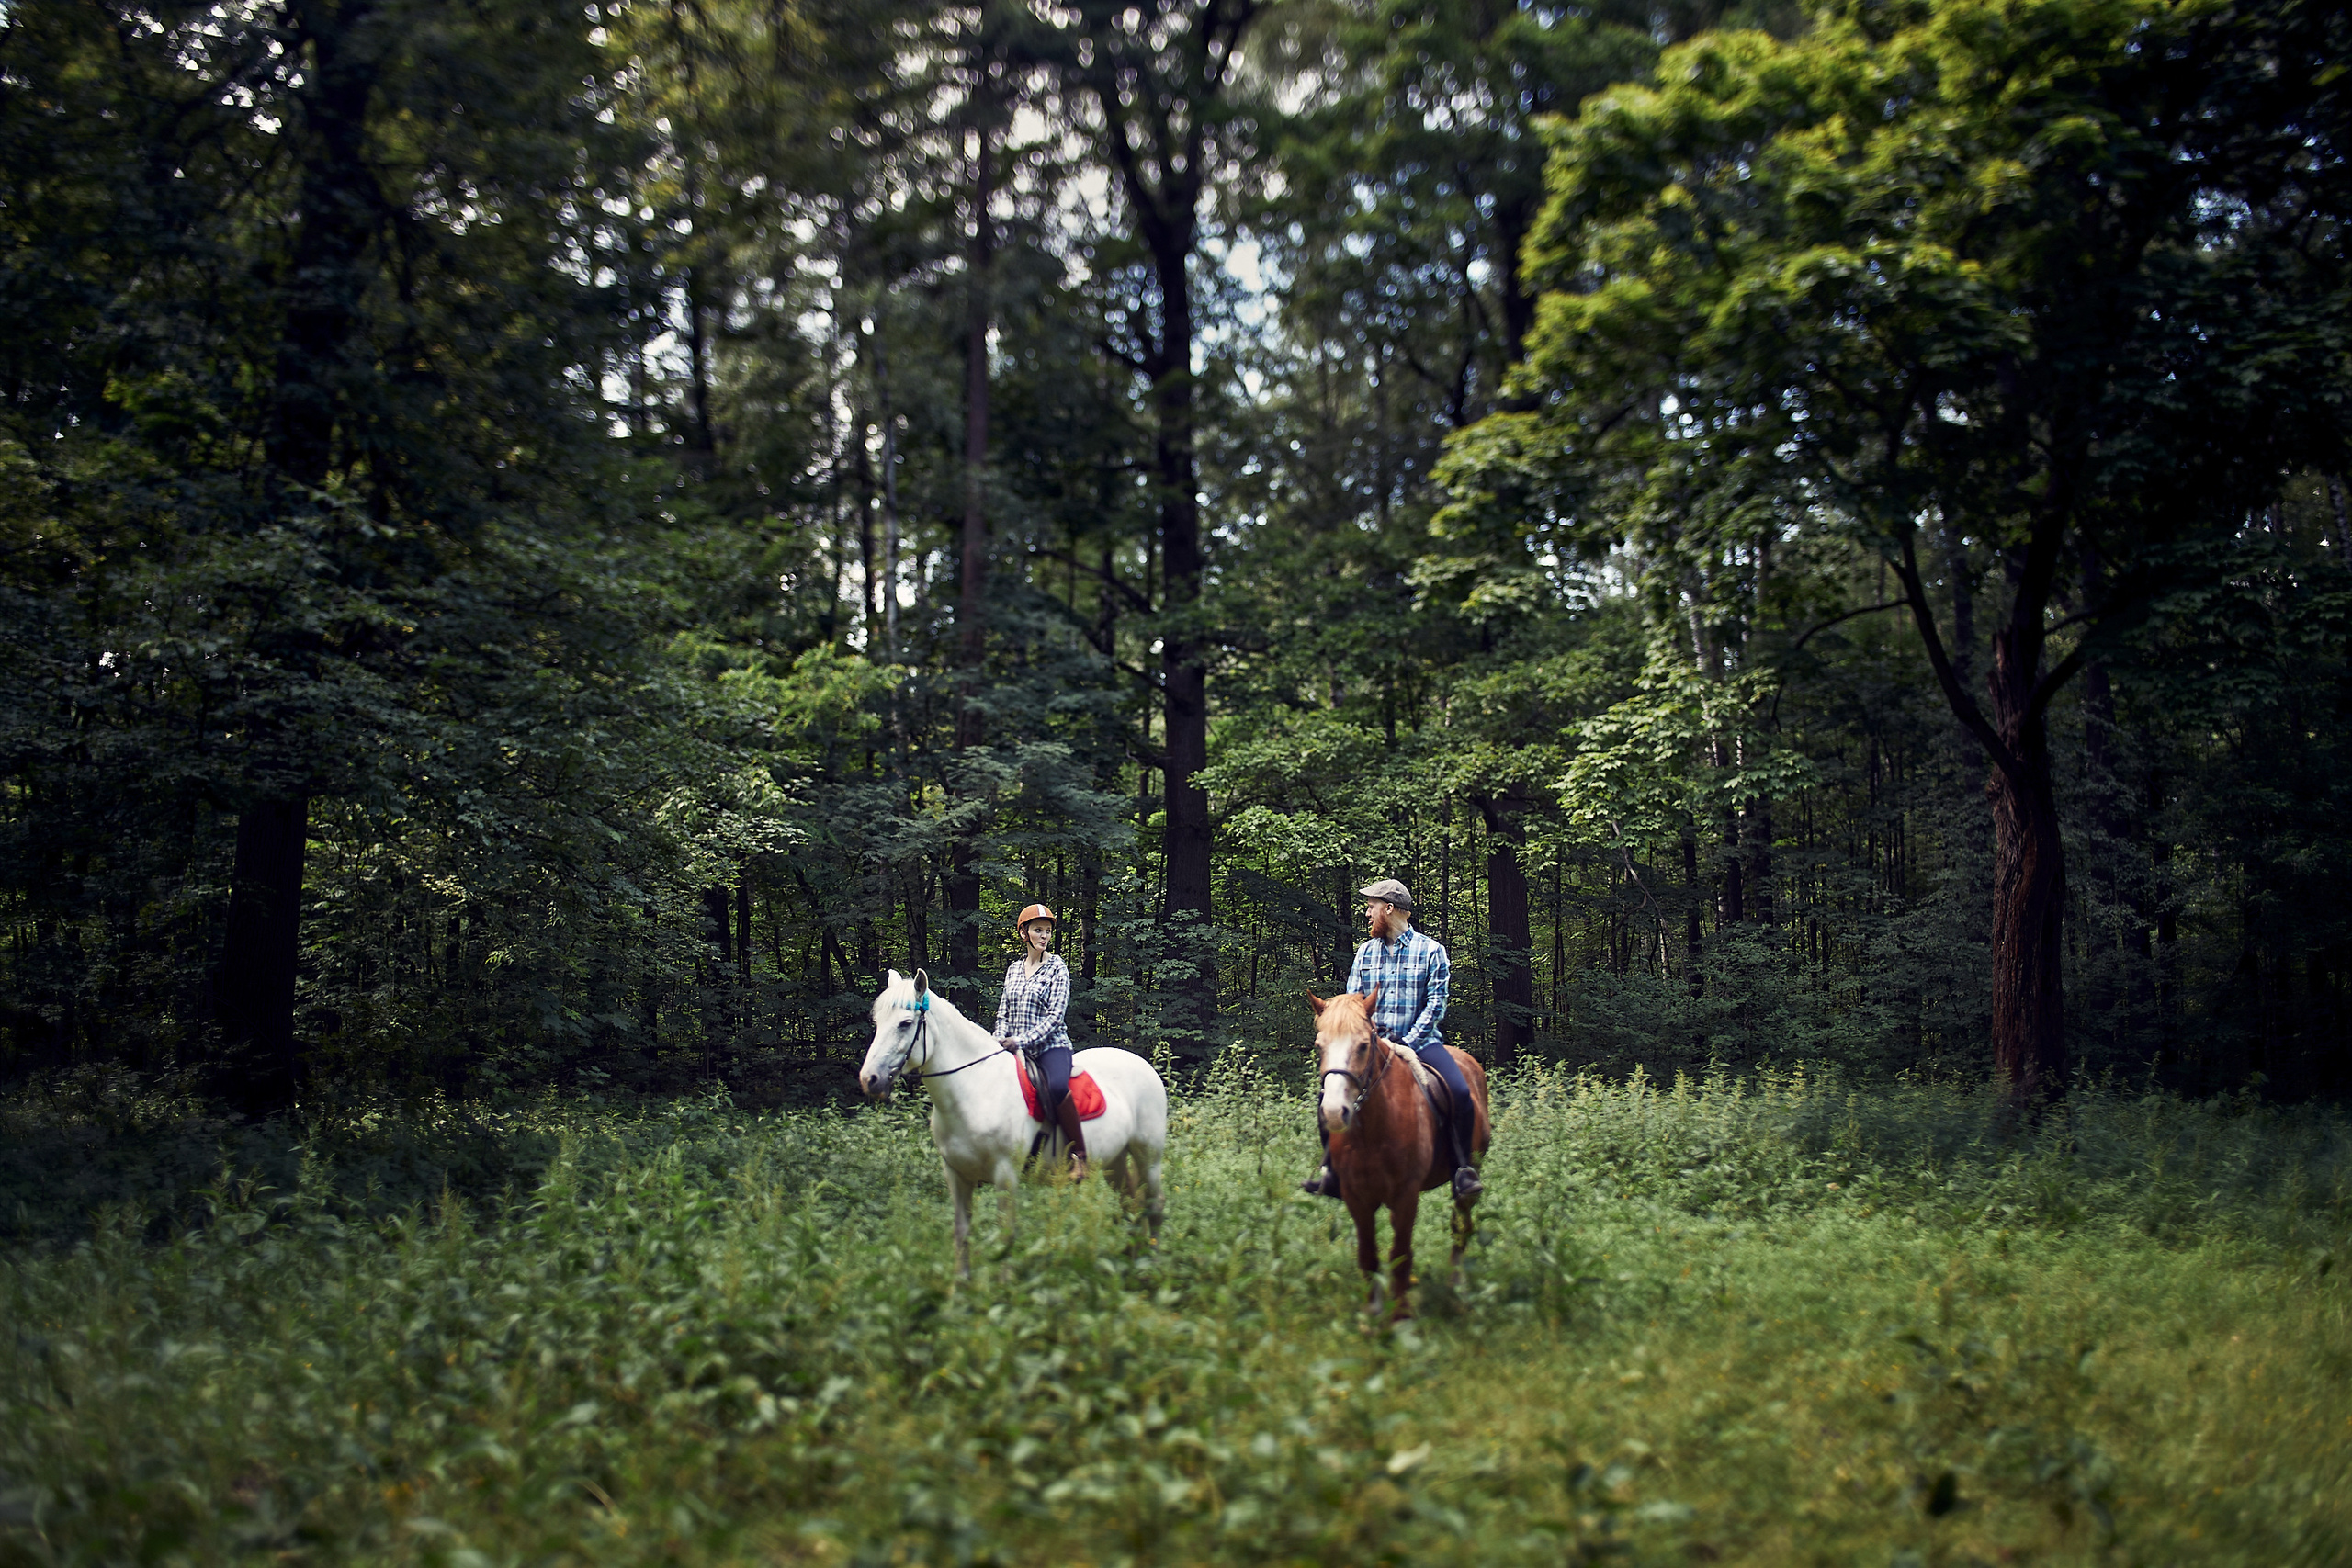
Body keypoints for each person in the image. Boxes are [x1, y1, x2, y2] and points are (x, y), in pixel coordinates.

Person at [1304, 877, 1482, 1201]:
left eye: (1371, 907)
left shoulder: (1431, 952)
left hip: (1423, 1042)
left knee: (1458, 1091)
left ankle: (1461, 1169)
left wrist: (1409, 1043)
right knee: (1327, 1094)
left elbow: (1436, 1005)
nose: (1367, 914)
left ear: (1389, 908)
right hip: (1373, 1044)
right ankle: (1331, 1170)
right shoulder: (1366, 953)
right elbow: (1353, 1004)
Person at [996, 902, 1085, 1179]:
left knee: (1057, 1087)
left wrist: (1020, 1041)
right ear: (1024, 933)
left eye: (1047, 931)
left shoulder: (1057, 967)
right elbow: (1003, 1011)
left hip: (1050, 1047)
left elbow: (1055, 1017)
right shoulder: (1013, 969)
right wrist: (998, 1038)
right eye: (1038, 930)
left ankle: (1080, 1156)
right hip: (1013, 1047)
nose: (1044, 936)